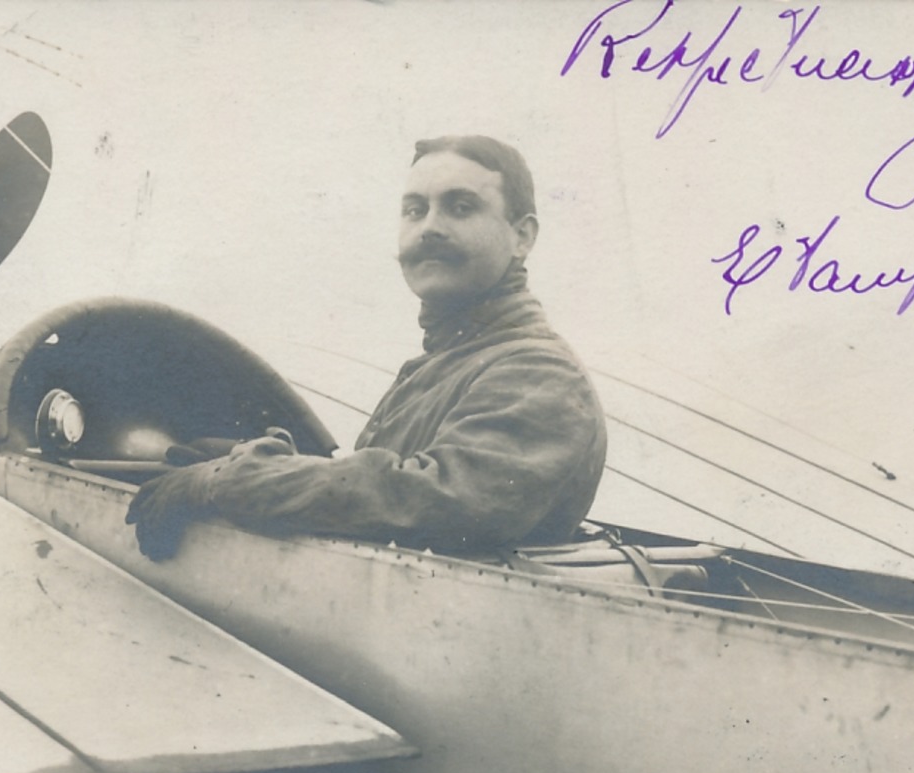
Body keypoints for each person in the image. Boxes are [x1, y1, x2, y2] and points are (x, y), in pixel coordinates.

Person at [126, 135, 609, 560]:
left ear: (522, 236)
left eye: (461, 207)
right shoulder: (446, 362)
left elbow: (435, 499)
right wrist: (251, 460)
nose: (430, 227)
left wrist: (227, 483)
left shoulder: (538, 371)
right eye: (415, 209)